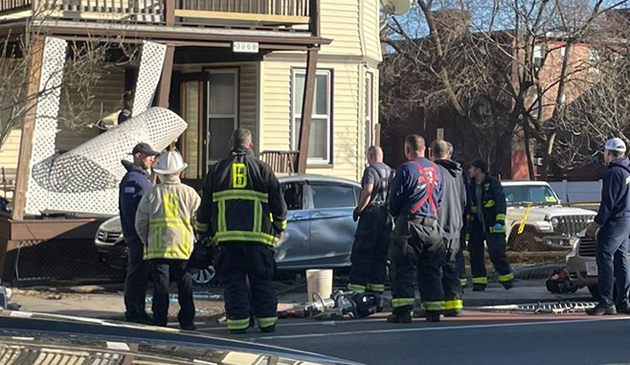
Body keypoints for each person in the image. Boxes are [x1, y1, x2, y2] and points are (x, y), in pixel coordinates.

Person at [196, 128, 287, 334]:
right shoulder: (263, 169)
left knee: (234, 284)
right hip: (259, 242)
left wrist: (203, 232)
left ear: (231, 144)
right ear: (251, 145)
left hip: (227, 242)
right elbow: (278, 205)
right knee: (261, 283)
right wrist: (279, 227)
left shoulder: (218, 170)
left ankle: (238, 325)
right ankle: (267, 323)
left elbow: (205, 207)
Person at [135, 150, 201, 330]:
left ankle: (160, 321)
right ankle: (187, 321)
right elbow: (199, 220)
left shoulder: (151, 193)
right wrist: (197, 239)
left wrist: (145, 240)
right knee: (185, 285)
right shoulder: (190, 193)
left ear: (160, 173)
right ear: (179, 171)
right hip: (184, 248)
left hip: (157, 248)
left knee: (160, 287)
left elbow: (140, 222)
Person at [388, 134, 445, 323]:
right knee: (431, 270)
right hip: (432, 225)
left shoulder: (406, 169)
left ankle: (403, 312)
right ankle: (434, 310)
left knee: (403, 268)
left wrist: (396, 215)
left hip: (410, 225)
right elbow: (439, 199)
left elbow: (394, 200)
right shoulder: (437, 170)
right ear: (426, 150)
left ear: (407, 150)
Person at [585, 138, 630, 315]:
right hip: (626, 221)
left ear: (609, 153)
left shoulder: (613, 173)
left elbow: (608, 203)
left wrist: (597, 223)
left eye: (605, 152)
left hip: (614, 222)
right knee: (621, 259)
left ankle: (606, 302)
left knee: (604, 256)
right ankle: (623, 301)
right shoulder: (627, 171)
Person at [119, 142, 159, 324]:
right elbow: (133, 212)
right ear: (137, 155)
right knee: (137, 273)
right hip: (138, 237)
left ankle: (137, 308)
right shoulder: (133, 181)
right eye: (148, 155)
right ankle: (134, 310)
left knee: (141, 274)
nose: (152, 158)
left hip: (142, 235)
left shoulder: (141, 178)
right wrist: (140, 233)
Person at [427, 139, 467, 317]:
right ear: (448, 154)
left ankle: (436, 305)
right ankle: (454, 304)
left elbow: (433, 199)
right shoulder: (458, 173)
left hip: (438, 225)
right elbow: (464, 200)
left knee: (434, 268)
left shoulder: (434, 171)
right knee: (452, 267)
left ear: (430, 153)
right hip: (455, 226)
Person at [347, 146, 393, 296]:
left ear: (371, 156)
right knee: (380, 254)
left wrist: (359, 209)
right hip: (386, 215)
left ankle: (356, 290)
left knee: (362, 252)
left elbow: (368, 190)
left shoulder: (371, 171)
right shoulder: (391, 172)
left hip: (371, 214)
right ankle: (376, 291)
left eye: (368, 157)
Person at [467, 159, 514, 291]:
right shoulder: (470, 185)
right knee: (475, 254)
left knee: (496, 252)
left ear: (479, 170)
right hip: (476, 225)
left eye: (472, 168)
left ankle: (506, 278)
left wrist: (499, 221)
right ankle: (479, 282)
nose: (469, 171)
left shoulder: (493, 183)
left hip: (492, 224)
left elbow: (500, 203)